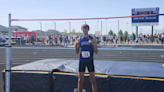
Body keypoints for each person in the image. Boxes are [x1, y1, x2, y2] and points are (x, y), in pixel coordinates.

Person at [75, 24, 98, 92]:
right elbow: (76, 52)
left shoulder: (92, 38)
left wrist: (92, 44)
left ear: (88, 29)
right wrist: (76, 44)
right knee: (80, 80)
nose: (85, 30)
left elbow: (96, 51)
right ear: (82, 30)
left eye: (86, 29)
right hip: (82, 61)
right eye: (83, 29)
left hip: (89, 61)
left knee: (93, 80)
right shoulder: (80, 39)